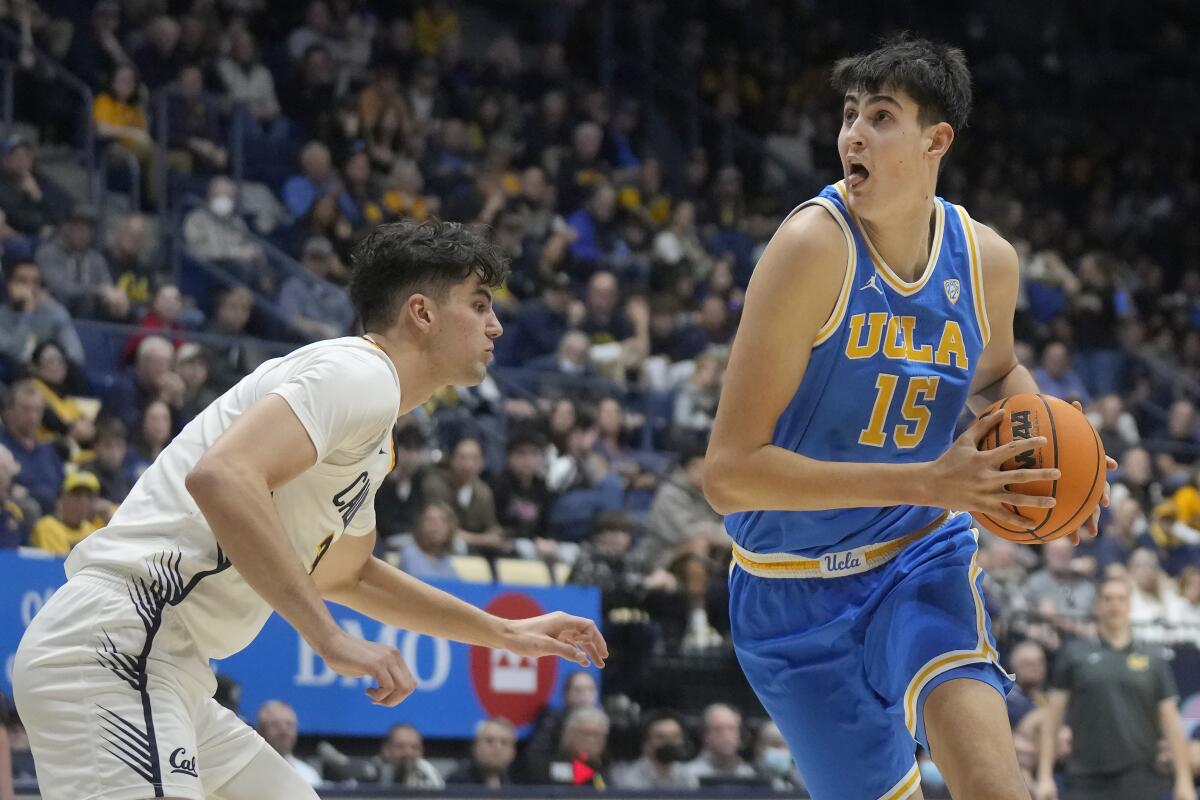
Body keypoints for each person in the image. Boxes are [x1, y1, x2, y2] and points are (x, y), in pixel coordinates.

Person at [12, 219, 607, 800]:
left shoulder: (373, 430)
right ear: (422, 313)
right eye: (479, 305)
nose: (496, 326)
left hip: (170, 669)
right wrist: (328, 638)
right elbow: (221, 476)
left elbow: (344, 574)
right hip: (121, 644)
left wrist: (503, 631)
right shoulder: (360, 373)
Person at [703, 35, 1115, 800]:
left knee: (996, 785)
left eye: (880, 116)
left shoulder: (986, 260)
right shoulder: (809, 249)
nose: (851, 133)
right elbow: (728, 477)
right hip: (788, 593)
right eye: (850, 113)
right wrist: (932, 480)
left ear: (936, 141)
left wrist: (1063, 457)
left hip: (916, 560)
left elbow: (997, 376)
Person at [1035, 576, 1195, 800]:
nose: (1114, 605)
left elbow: (1172, 724)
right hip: (1085, 778)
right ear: (1097, 605)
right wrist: (1044, 776)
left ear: (1130, 605)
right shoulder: (1074, 654)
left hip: (1142, 778)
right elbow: (1052, 720)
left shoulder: (1153, 658)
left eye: (1121, 599)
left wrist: (1184, 780)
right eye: (1107, 599)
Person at [610, 710, 698, 790]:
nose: (669, 743)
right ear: (646, 743)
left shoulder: (688, 777)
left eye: (675, 737)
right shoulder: (628, 779)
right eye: (661, 737)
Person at [255, 700, 321, 788]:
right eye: (275, 724)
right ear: (260, 731)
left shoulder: (309, 775)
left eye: (289, 724)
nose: (284, 730)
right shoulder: (247, 772)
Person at [446, 717, 517, 787]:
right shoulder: (456, 783)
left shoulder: (516, 786)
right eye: (489, 741)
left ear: (513, 752)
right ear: (475, 747)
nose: (497, 747)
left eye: (504, 742)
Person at [370, 723, 443, 788]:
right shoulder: (371, 771)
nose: (408, 753)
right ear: (386, 750)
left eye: (414, 747)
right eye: (400, 746)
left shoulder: (427, 773)